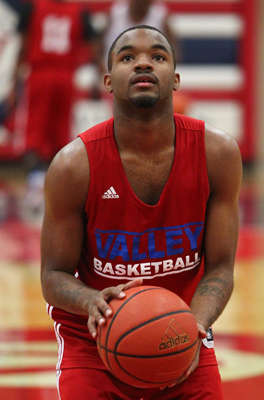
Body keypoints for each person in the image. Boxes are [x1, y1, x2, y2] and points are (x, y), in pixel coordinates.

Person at [41, 25, 242, 400]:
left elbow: (220, 269)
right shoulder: (74, 166)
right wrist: (91, 301)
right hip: (95, 341)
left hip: (183, 333)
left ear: (176, 79)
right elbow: (52, 275)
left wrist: (193, 329)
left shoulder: (218, 155)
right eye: (128, 57)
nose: (143, 63)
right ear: (108, 81)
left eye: (158, 56)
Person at [9, 0, 99, 169]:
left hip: (39, 74)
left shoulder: (33, 7)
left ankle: (34, 180)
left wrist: (15, 79)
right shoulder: (79, 11)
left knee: (33, 134)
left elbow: (24, 44)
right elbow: (93, 46)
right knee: (61, 134)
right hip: (65, 76)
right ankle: (57, 181)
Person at [98, 0, 178, 75]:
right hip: (111, 71)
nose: (140, 2)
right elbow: (98, 44)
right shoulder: (114, 12)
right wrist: (101, 66)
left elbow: (173, 51)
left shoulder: (161, 16)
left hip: (152, 73)